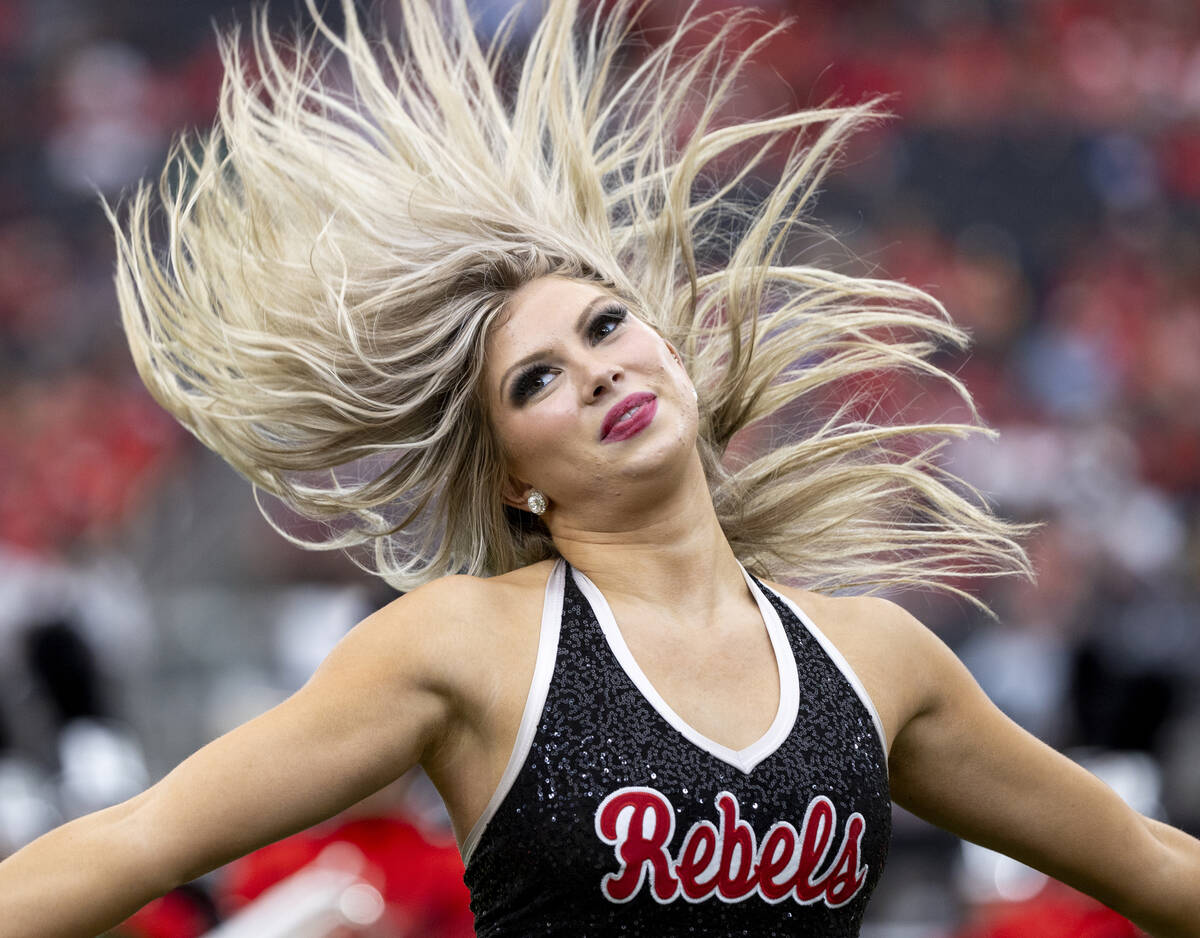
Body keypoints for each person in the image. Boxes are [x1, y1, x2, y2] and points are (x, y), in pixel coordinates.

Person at [2, 1, 1198, 935]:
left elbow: (1145, 862)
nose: (595, 370)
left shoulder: (877, 658)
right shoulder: (461, 644)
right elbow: (138, 842)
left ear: (670, 349)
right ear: (518, 478)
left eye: (609, 325)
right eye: (535, 381)